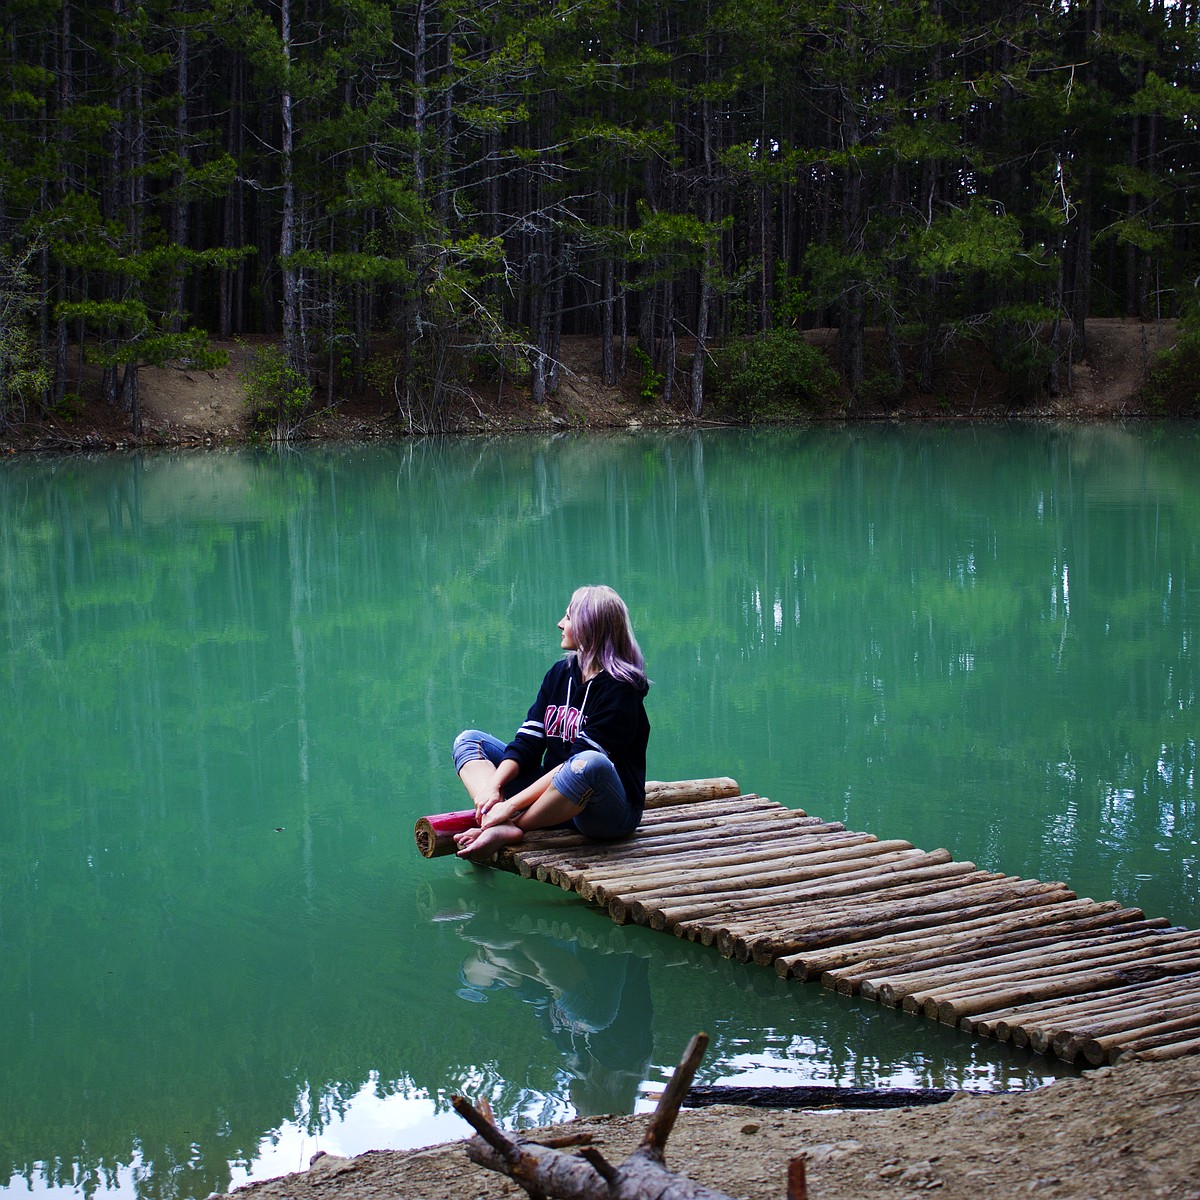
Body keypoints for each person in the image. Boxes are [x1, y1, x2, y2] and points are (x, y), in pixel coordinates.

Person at [452, 585, 650, 861]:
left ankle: (513, 827)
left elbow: (577, 764)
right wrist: (494, 789)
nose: (560, 623)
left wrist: (511, 809)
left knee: (589, 763)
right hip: (552, 801)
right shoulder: (560, 673)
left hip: (602, 814)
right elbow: (528, 742)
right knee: (470, 740)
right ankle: (490, 813)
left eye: (568, 618)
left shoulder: (621, 691)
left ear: (589, 626)